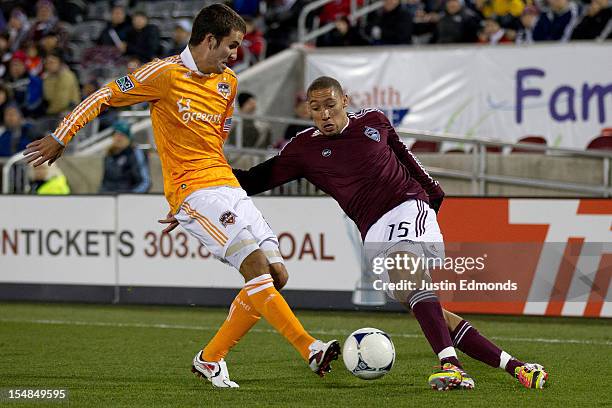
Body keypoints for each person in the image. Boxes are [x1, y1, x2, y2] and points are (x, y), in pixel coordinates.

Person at [23, 4, 340, 389]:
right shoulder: (164, 73)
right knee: (255, 266)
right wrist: (61, 136)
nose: (235, 54)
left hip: (226, 188)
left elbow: (214, 141)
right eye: (232, 45)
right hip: (196, 191)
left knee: (277, 274)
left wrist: (194, 205)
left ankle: (210, 359)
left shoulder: (229, 83)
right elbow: (104, 95)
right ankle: (311, 349)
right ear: (209, 40)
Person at [231, 76, 549, 391]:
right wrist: (206, 172)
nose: (324, 114)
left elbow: (410, 163)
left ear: (345, 101)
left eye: (330, 105)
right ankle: (517, 367)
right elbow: (253, 180)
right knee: (426, 307)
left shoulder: (374, 121)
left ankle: (452, 367)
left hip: (406, 206)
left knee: (410, 280)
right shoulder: (303, 148)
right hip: (373, 232)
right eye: (315, 109)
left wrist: (428, 203)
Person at [99, 121, 150, 194]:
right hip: (108, 197)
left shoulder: (135, 153)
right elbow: (105, 182)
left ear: (128, 137)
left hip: (128, 198)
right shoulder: (109, 155)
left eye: (122, 135)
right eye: (116, 134)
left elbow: (145, 182)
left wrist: (129, 196)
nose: (118, 138)